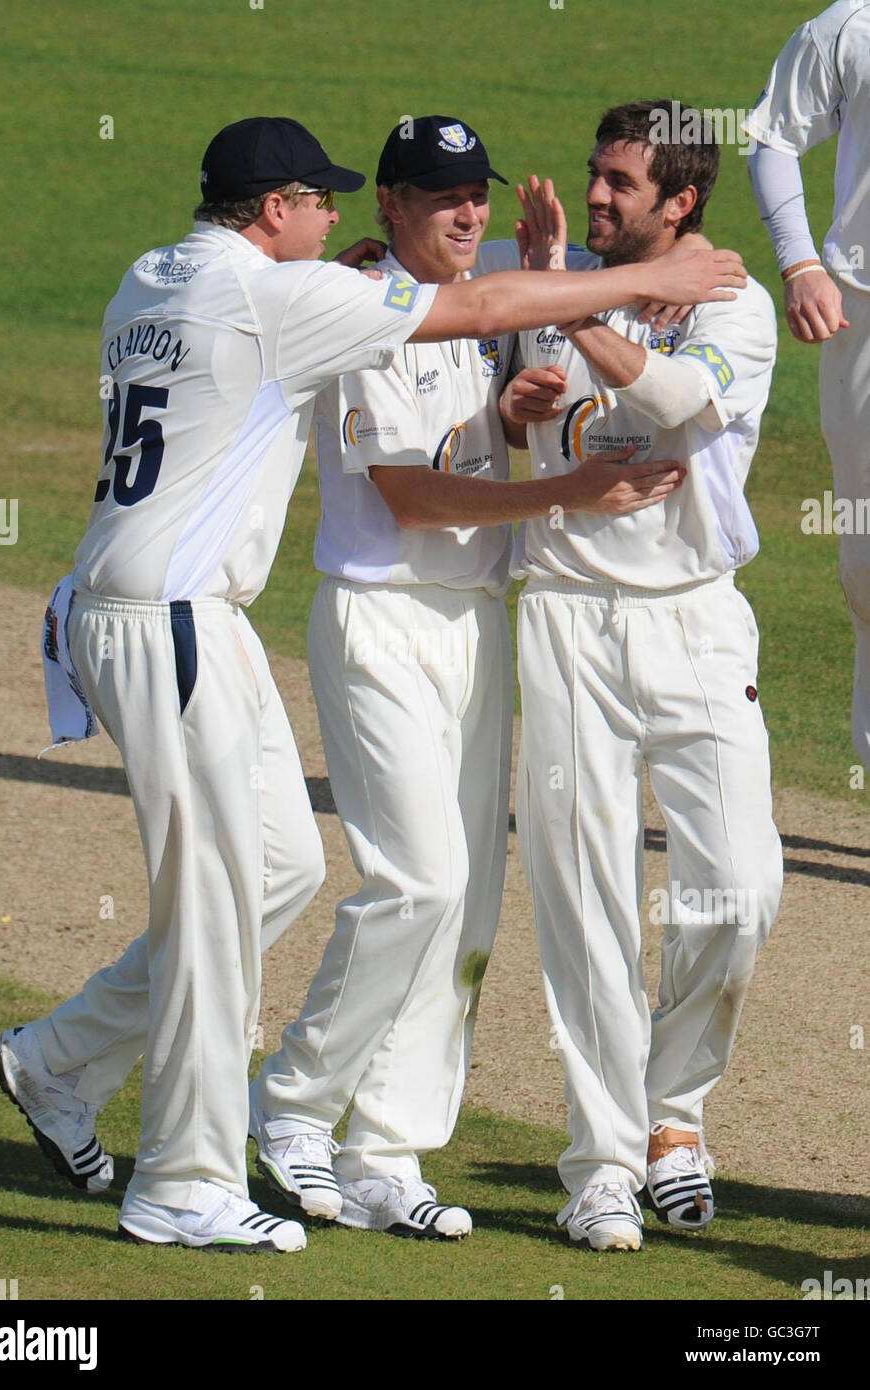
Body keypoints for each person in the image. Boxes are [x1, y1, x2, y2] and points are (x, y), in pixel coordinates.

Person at [0, 113, 745, 1255]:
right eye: (322, 201)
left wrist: (524, 338)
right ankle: (186, 1177)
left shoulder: (154, 273)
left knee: (282, 870)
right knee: (220, 905)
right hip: (170, 616)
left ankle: (60, 1062)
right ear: (276, 211)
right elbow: (480, 312)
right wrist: (658, 275)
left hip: (188, 611)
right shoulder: (285, 295)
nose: (335, 218)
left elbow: (475, 303)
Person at [248, 116, 690, 1241]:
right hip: (380, 616)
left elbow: (461, 439)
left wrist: (507, 413)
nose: (467, 213)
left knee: (464, 907)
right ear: (388, 205)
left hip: (474, 622)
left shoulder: (461, 306)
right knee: (420, 883)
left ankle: (386, 1148)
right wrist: (565, 493)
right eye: (440, 196)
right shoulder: (366, 313)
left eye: (475, 194)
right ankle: (293, 1104)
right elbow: (411, 497)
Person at [501, 101, 784, 1251]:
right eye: (595, 177)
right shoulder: (550, 286)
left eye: (623, 183)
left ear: (682, 204)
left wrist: (588, 301)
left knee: (742, 887)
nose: (599, 197)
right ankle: (605, 1161)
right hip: (567, 609)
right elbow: (532, 432)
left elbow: (675, 405)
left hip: (696, 621)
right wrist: (517, 393)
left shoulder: (738, 303)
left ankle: (675, 1109)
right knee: (584, 895)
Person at [744, 1, 870, 772]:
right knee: (866, 565)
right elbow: (772, 137)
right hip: (865, 316)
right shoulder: (854, 23)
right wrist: (800, 263)